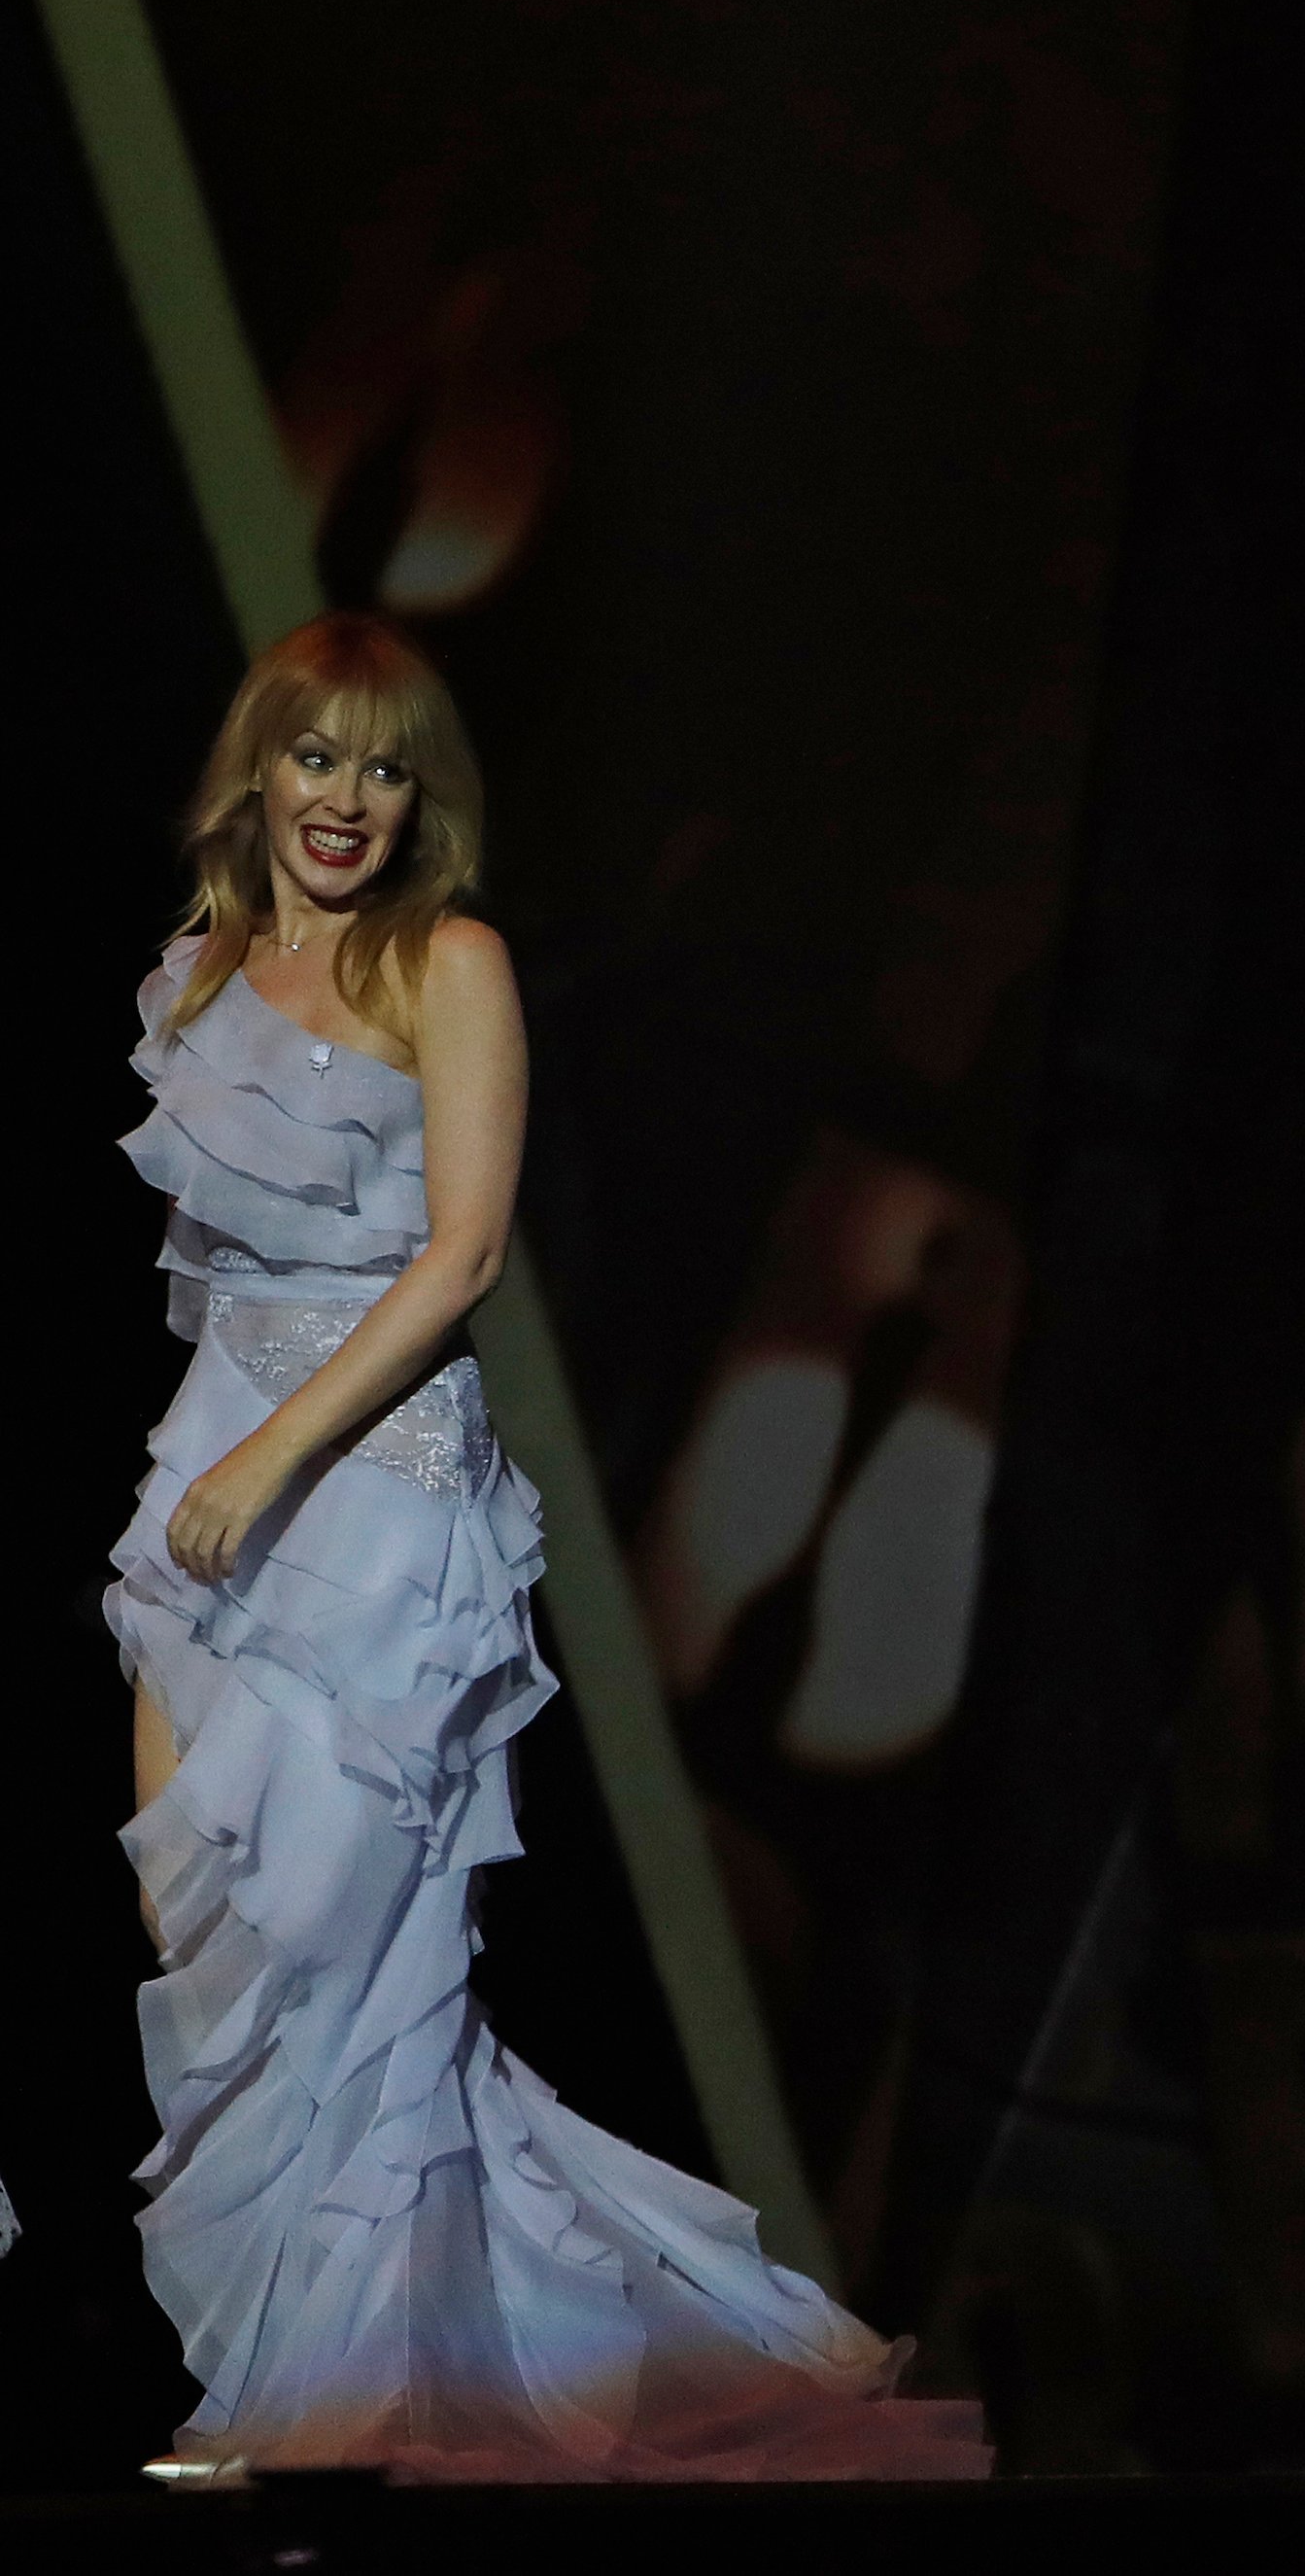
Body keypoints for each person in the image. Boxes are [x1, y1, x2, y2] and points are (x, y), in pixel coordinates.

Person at [105, 614, 988, 2483]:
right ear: (260, 768)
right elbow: (206, 1275)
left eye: (384, 764)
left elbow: (465, 1256)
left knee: (354, 1960)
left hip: (367, 1494)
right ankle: (305, 2372)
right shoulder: (203, 971)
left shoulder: (455, 962)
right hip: (211, 1499)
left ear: (425, 796)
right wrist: (204, 1475)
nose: (346, 798)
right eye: (317, 756)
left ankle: (313, 2412)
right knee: (208, 1929)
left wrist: (270, 1458)